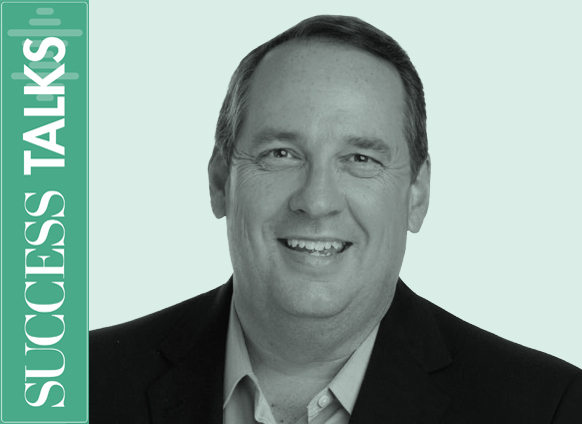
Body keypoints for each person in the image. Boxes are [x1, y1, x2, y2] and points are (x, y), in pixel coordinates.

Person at [90, 15, 582, 423]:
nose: (317, 200)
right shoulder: (76, 384)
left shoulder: (549, 408)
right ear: (221, 182)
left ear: (417, 194)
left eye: (360, 159)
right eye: (281, 153)